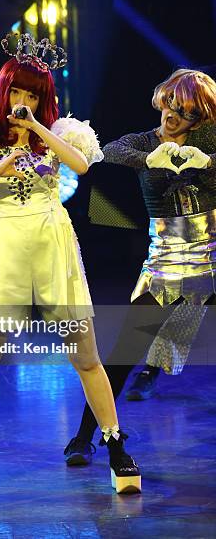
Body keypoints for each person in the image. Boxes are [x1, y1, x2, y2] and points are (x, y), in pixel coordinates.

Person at [0, 33, 141, 498]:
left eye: (33, 94)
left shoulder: (61, 133)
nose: (23, 101)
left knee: (86, 356)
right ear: (2, 92)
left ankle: (115, 444)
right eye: (17, 92)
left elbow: (81, 167)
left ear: (44, 99)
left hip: (51, 240)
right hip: (2, 243)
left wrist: (38, 129)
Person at [64, 68, 216, 466]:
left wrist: (205, 161)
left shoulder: (207, 142)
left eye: (185, 112)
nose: (173, 116)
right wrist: (152, 158)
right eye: (170, 104)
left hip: (213, 257)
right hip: (166, 260)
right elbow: (111, 150)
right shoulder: (146, 141)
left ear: (199, 118)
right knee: (122, 352)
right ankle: (83, 437)